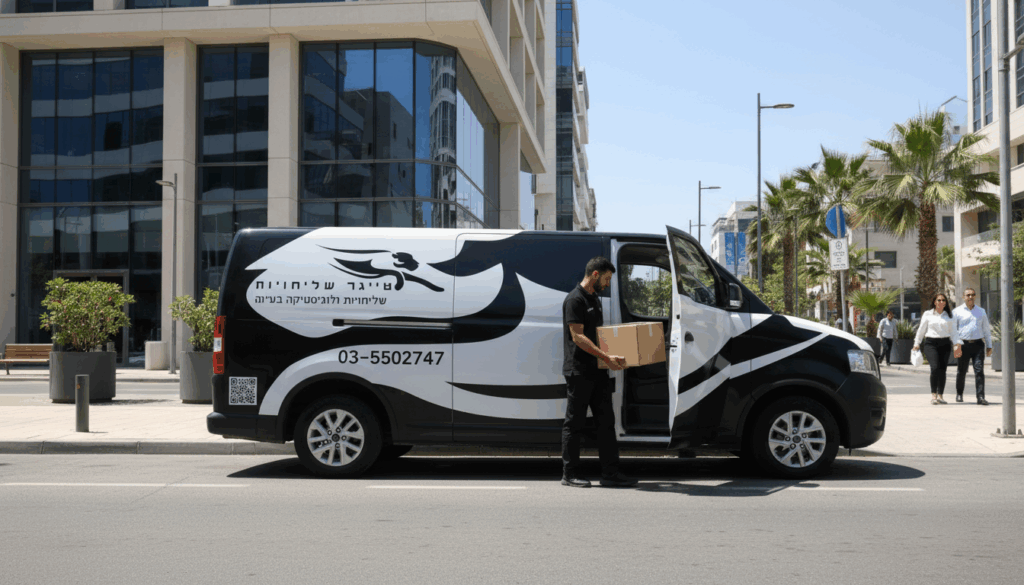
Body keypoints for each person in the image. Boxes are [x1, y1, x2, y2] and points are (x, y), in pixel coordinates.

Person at [561, 256, 638, 488]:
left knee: (606, 422)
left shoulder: (595, 298)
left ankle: (610, 474)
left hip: (598, 370)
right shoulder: (575, 299)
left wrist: (614, 355)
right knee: (574, 424)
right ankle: (569, 474)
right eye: (606, 278)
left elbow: (598, 335)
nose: (608, 283)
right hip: (579, 371)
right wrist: (606, 357)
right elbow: (578, 337)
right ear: (595, 274)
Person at [913, 293, 962, 405]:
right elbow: (921, 330)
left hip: (945, 344)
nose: (941, 302)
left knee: (942, 370)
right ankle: (933, 395)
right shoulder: (928, 314)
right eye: (939, 300)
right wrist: (917, 343)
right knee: (934, 368)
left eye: (943, 300)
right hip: (931, 343)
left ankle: (940, 396)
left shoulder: (949, 316)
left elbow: (954, 333)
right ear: (934, 302)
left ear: (946, 303)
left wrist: (957, 345)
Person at [953, 288, 992, 405]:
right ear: (963, 297)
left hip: (978, 345)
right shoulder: (957, 312)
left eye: (973, 295)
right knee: (961, 371)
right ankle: (959, 393)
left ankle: (980, 397)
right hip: (962, 345)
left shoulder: (981, 311)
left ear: (975, 296)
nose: (970, 297)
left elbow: (986, 329)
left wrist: (989, 345)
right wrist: (956, 345)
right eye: (968, 295)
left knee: (979, 371)